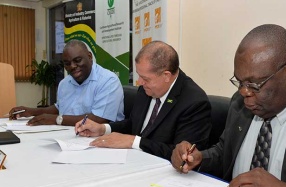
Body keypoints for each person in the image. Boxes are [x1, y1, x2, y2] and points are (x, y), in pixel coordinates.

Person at [171, 24, 286, 187]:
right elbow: (225, 153)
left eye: (254, 84)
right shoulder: (241, 103)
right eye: (240, 82)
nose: (244, 92)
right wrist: (199, 159)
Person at [75, 40, 212, 160]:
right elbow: (135, 124)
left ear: (166, 75)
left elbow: (182, 156)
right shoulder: (147, 89)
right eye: (139, 76)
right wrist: (103, 129)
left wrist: (133, 141)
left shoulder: (194, 102)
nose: (140, 82)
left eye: (145, 78)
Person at [9, 40, 124, 126]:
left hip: (101, 143)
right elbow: (60, 108)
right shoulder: (65, 83)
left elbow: (99, 119)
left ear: (89, 57)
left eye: (77, 60)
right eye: (67, 63)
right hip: (68, 137)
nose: (72, 66)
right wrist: (32, 111)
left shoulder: (108, 81)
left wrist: (56, 119)